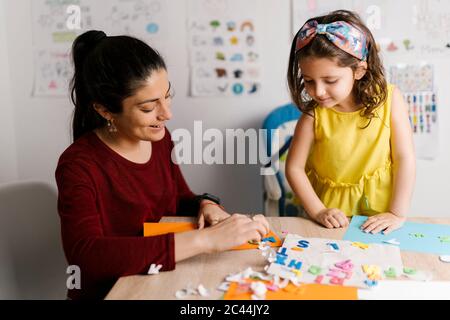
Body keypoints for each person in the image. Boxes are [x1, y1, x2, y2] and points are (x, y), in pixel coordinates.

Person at [55, 30, 269, 300]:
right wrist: (205, 240)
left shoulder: (159, 138)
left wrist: (206, 204)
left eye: (167, 96)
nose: (167, 114)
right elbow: (87, 257)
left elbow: (178, 198)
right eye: (148, 108)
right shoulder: (78, 165)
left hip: (160, 280)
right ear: (105, 110)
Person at [285, 10, 415, 235]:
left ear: (359, 70)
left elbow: (404, 158)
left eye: (330, 80)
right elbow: (294, 168)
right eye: (309, 81)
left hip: (380, 216)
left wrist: (397, 213)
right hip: (329, 217)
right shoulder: (313, 116)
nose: (318, 91)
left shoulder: (391, 100)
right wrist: (318, 211)